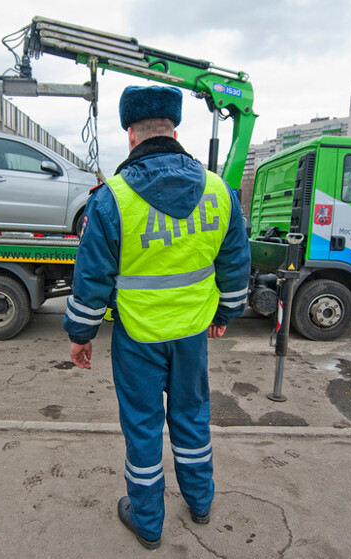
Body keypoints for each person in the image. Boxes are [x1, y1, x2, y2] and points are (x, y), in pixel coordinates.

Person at [63, 85, 251, 550]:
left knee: (144, 427)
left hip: (138, 336)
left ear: (131, 134)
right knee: (192, 417)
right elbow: (235, 264)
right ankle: (201, 502)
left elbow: (91, 279)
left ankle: (148, 523)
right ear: (175, 128)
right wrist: (226, 311)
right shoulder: (219, 191)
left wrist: (81, 334)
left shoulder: (111, 200)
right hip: (192, 334)